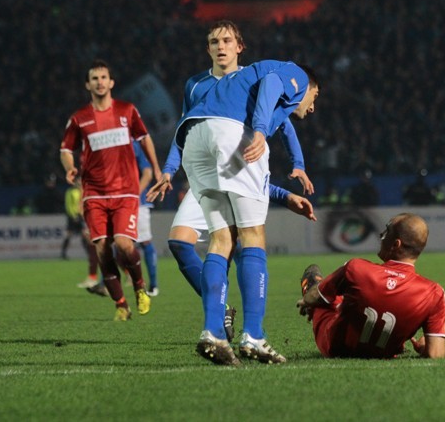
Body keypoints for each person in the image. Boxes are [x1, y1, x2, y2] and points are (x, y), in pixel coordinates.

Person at [150, 58, 319, 366]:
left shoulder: (237, 85)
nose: (312, 104)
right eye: (315, 97)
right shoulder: (296, 73)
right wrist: (259, 130)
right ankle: (253, 335)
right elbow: (272, 85)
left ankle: (213, 332)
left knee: (221, 239)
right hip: (233, 131)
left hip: (194, 138)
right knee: (252, 236)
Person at [60, 59, 162, 321]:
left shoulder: (127, 110)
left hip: (126, 190)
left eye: (104, 77)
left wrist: (157, 170)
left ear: (111, 82)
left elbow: (145, 138)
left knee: (125, 244)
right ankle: (120, 304)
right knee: (103, 248)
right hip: (94, 193)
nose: (100, 82)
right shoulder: (79, 119)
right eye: (94, 78)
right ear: (88, 84)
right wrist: (70, 167)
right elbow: (65, 149)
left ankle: (140, 287)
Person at [296, 213, 445, 359]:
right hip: (383, 353)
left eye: (386, 232)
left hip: (336, 347)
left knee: (323, 294)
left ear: (396, 244)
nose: (381, 237)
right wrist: (423, 347)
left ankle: (312, 291)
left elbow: (314, 297)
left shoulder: (357, 268)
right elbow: (436, 353)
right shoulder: (434, 293)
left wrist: (307, 301)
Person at [133, 141, 159, 297]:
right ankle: (105, 283)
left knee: (145, 241)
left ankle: (153, 285)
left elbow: (147, 173)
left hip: (138, 202)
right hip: (117, 201)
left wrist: (134, 195)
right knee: (115, 242)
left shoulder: (137, 145)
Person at [61, 176, 97, 288]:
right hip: (74, 218)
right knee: (91, 244)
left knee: (100, 247)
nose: (78, 182)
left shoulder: (86, 191)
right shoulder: (71, 191)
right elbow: (69, 205)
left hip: (84, 218)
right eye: (77, 180)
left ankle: (95, 276)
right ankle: (63, 254)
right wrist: (72, 215)